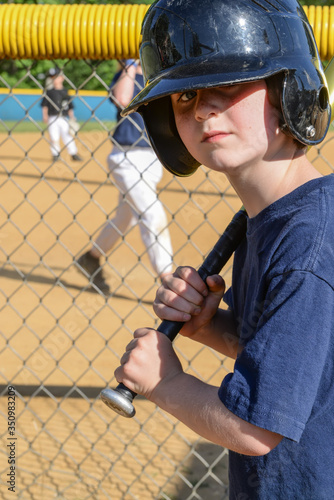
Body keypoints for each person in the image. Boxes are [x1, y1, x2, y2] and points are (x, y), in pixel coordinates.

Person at [113, 0, 334, 498]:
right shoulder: (274, 220)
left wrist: (166, 384)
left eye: (230, 83)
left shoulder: (307, 243)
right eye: (185, 95)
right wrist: (213, 327)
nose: (204, 107)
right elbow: (303, 368)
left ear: (287, 89)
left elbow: (257, 429)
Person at [77, 60, 173, 295]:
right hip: (126, 158)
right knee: (152, 213)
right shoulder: (124, 75)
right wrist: (130, 66)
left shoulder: (158, 75)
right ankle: (170, 280)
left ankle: (91, 257)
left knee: (125, 218)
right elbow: (122, 100)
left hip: (152, 158)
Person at [42, 67, 82, 162]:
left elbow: (70, 106)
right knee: (53, 136)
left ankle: (73, 153)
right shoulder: (49, 92)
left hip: (64, 118)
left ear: (62, 78)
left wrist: (72, 117)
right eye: (52, 77)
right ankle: (55, 154)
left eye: (56, 77)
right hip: (52, 117)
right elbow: (45, 106)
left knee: (67, 135)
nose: (54, 79)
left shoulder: (65, 92)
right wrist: (45, 116)